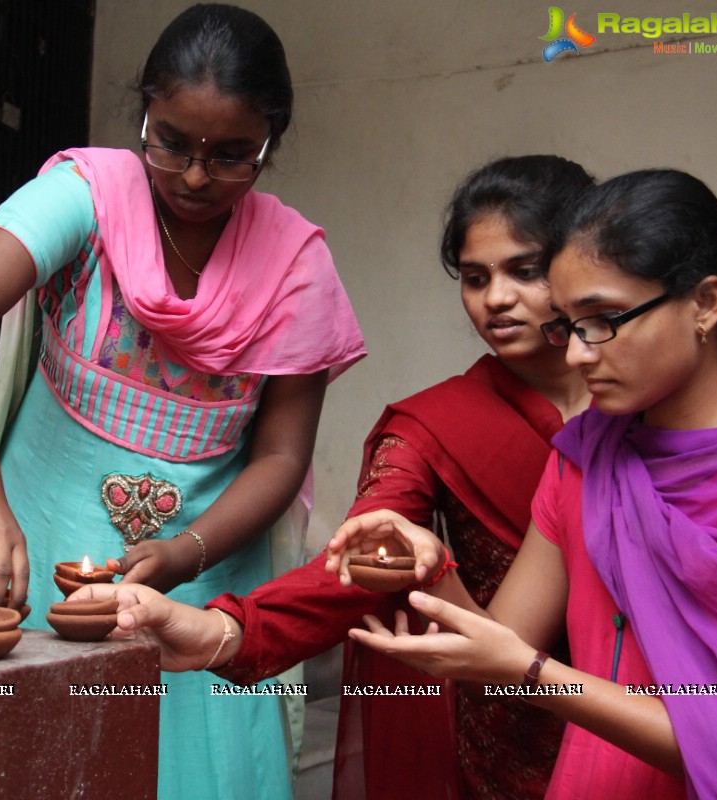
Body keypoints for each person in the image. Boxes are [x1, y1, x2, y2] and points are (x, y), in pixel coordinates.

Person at [0, 5, 365, 797]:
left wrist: (188, 552)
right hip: (37, 548)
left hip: (205, 572)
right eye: (171, 142)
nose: (193, 176)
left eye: (230, 157)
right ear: (143, 112)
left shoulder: (295, 264)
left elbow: (283, 456)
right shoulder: (88, 195)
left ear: (270, 142)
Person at [70, 155, 594, 799]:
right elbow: (355, 562)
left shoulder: (647, 409)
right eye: (476, 276)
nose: (496, 298)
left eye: (524, 271)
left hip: (669, 698)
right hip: (509, 725)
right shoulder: (429, 426)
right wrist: (226, 629)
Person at [328, 169, 717, 798]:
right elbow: (497, 651)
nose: (575, 355)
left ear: (704, 303)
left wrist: (535, 675)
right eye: (570, 324)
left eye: (602, 320)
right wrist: (428, 565)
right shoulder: (585, 458)